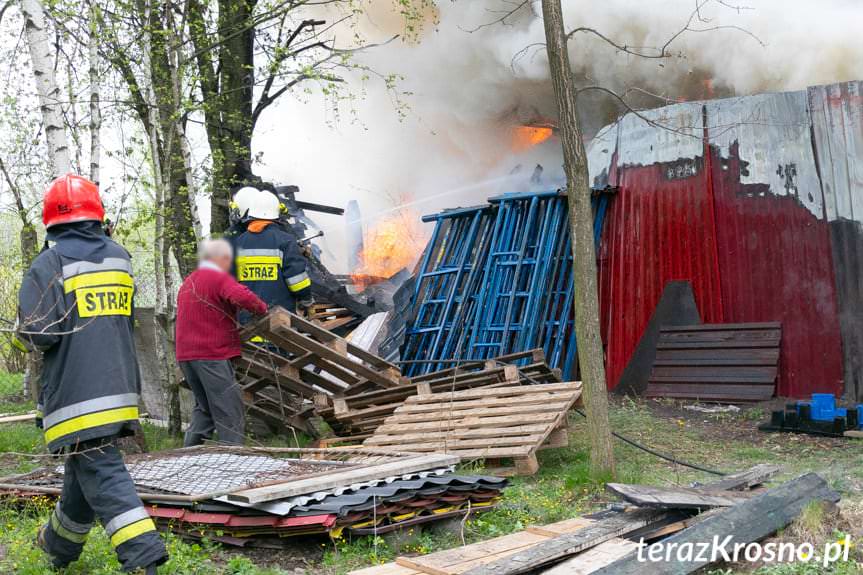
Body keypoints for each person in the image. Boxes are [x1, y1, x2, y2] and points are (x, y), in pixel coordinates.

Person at [18, 174, 167, 573]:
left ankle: (143, 556)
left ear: (52, 221)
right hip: (119, 387)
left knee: (103, 472)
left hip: (77, 395)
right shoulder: (119, 257)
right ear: (95, 216)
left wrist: (20, 336)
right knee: (85, 468)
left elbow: (38, 334)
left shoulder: (50, 263)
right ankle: (57, 547)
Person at [175, 238, 268, 446]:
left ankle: (188, 457)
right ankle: (234, 459)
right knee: (229, 409)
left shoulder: (190, 281)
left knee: (205, 408)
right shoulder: (216, 277)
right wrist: (262, 308)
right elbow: (243, 297)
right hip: (210, 354)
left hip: (186, 355)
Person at [230, 187, 313, 320]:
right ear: (276, 214)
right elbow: (297, 280)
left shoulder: (238, 243)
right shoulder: (285, 241)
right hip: (279, 320)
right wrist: (306, 300)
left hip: (247, 320)